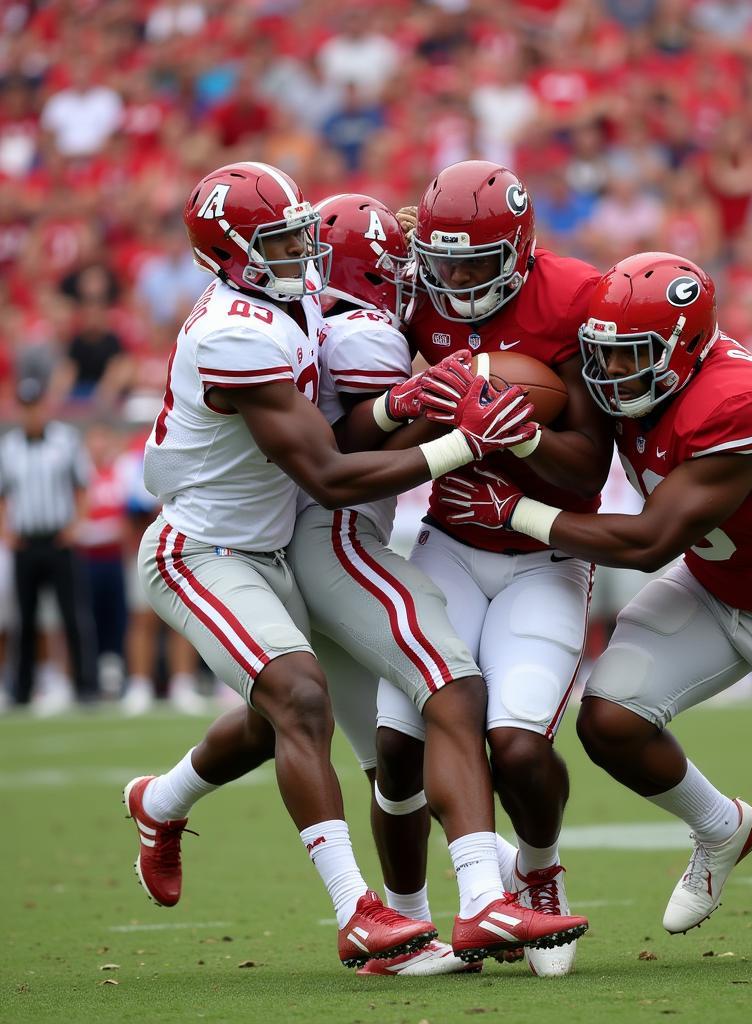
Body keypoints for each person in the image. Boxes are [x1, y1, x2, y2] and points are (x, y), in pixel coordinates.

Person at [125, 161, 583, 970]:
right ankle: (396, 910)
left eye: (304, 234)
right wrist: (453, 437)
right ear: (229, 256)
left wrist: (395, 400)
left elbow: (346, 375)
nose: (303, 254)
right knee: (330, 699)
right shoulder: (248, 329)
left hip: (276, 539)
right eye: (279, 240)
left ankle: (161, 803)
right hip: (214, 545)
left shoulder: (295, 297)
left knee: (290, 725)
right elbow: (332, 470)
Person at [440, 252, 752, 962]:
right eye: (605, 356)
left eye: (633, 358)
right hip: (717, 585)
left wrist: (515, 511)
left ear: (685, 349)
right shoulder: (635, 375)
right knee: (611, 720)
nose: (613, 375)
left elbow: (651, 541)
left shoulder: (737, 401)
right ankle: (721, 827)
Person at [288, 193, 556, 974]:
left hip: (306, 544)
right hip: (334, 537)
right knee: (452, 688)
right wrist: (453, 424)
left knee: (381, 758)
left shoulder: (306, 320)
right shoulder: (367, 333)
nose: (412, 281)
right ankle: (484, 898)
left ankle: (404, 929)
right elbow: (343, 461)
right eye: (395, 269)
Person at [379, 159, 611, 976]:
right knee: (397, 740)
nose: (461, 281)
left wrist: (520, 436)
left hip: (543, 556)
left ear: (520, 250)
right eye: (447, 264)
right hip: (445, 541)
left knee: (515, 747)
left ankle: (538, 870)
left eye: (478, 263)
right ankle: (408, 922)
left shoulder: (576, 297)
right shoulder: (415, 286)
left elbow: (586, 470)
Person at [0, 376, 98, 708]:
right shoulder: (8, 446)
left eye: (36, 406)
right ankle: (22, 690)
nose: (31, 414)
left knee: (73, 615)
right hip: (25, 543)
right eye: (25, 407)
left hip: (59, 541)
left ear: (45, 406)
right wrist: (7, 532)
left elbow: (82, 486)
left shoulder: (66, 441)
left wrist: (75, 526)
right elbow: (3, 495)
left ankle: (86, 687)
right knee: (24, 620)